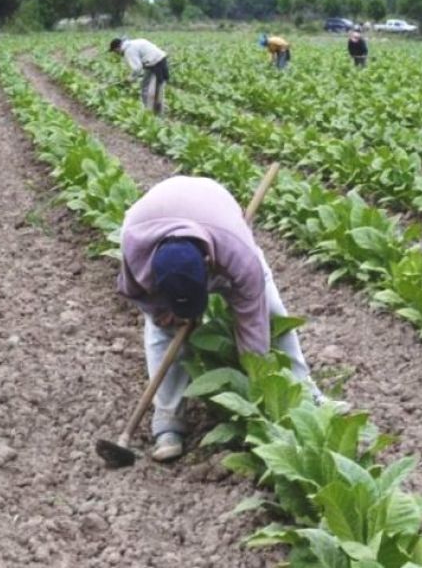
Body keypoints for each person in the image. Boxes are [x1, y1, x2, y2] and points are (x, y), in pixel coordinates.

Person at [116, 176, 325, 461]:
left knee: (272, 313)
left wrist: (258, 379)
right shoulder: (134, 246)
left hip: (216, 216)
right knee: (161, 330)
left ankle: (306, 394)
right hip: (155, 220)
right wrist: (163, 313)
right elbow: (136, 293)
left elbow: (252, 321)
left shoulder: (237, 252)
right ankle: (167, 421)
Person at [109, 36, 169, 116]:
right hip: (159, 60)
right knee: (152, 87)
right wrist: (134, 77)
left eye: (115, 51)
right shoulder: (133, 43)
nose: (116, 53)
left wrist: (130, 78)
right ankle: (155, 112)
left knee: (150, 89)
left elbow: (137, 68)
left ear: (117, 48)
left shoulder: (128, 51)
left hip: (155, 64)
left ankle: (151, 113)